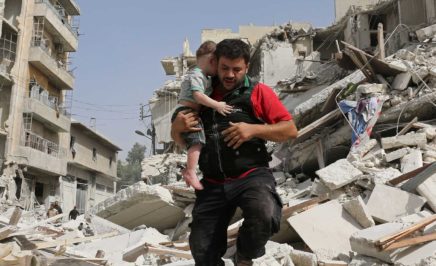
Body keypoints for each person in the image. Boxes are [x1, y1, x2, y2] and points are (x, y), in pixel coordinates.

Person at [171, 39, 298, 265]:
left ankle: (244, 255)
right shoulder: (202, 93)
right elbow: (181, 140)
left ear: (247, 67)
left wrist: (253, 129)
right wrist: (176, 128)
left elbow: (290, 129)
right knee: (201, 248)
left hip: (251, 176)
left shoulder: (258, 92)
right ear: (216, 64)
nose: (230, 75)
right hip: (213, 182)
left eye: (237, 69)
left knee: (265, 214)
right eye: (225, 68)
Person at [171, 40, 233, 191]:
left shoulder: (204, 76)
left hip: (190, 113)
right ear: (212, 61)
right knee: (197, 142)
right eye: (218, 65)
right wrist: (217, 105)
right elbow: (198, 96)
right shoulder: (197, 75)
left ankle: (188, 169)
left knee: (195, 143)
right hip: (186, 113)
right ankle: (191, 172)